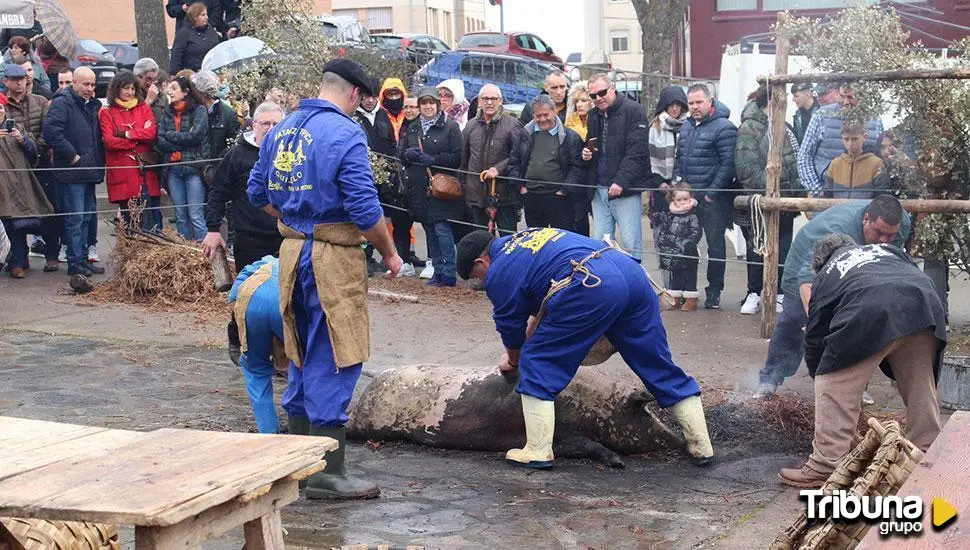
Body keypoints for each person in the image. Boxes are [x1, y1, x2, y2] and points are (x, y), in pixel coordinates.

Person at [247, 59, 402, 500]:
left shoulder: (282, 127)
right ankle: (327, 472)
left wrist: (297, 220)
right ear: (354, 94)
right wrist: (389, 252)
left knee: (298, 349)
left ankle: (299, 461)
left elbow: (258, 194)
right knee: (337, 351)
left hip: (291, 253)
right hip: (333, 258)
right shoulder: (345, 132)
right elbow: (365, 210)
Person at [455, 228, 715, 468]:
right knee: (656, 363)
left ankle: (537, 450)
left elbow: (509, 326)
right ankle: (701, 446)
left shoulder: (500, 270)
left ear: (482, 262)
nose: (481, 283)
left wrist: (514, 360)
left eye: (477, 277)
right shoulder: (528, 238)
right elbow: (545, 298)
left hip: (590, 284)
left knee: (538, 361)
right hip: (629, 273)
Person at [778, 235, 946, 488]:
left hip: (869, 308)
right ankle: (927, 449)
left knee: (833, 383)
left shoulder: (826, 274)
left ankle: (825, 466)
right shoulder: (886, 249)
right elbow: (910, 271)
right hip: (922, 304)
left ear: (820, 264)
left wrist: (821, 374)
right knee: (920, 381)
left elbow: (815, 334)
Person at [753, 196, 911, 398]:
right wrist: (818, 319)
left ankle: (853, 386)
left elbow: (890, 256)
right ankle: (769, 380)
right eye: (879, 232)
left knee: (858, 323)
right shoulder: (837, 230)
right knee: (793, 320)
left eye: (890, 235)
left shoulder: (902, 222)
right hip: (806, 264)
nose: (884, 240)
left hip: (856, 267)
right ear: (865, 219)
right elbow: (807, 279)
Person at [733, 84, 800, 315]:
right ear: (769, 101)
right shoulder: (749, 128)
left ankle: (779, 292)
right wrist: (771, 187)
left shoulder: (786, 127)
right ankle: (754, 291)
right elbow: (746, 168)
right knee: (757, 247)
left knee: (783, 246)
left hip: (786, 202)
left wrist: (794, 192)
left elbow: (794, 162)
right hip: (759, 201)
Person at [672, 84, 738, 309]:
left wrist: (711, 194)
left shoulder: (725, 127)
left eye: (699, 102)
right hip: (687, 199)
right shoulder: (687, 127)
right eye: (691, 103)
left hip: (713, 202)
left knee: (716, 248)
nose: (695, 107)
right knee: (685, 245)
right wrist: (677, 190)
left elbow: (728, 164)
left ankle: (714, 292)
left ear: (711, 102)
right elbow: (679, 159)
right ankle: (686, 291)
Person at [203, 101, 284, 270]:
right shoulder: (237, 155)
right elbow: (218, 191)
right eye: (265, 123)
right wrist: (213, 229)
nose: (270, 128)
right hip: (250, 239)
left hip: (285, 237)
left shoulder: (291, 153)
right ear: (254, 125)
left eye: (276, 124)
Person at [42, 67, 105, 277]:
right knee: (75, 219)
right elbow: (51, 131)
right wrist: (72, 156)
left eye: (93, 85)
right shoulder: (62, 103)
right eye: (86, 84)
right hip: (72, 171)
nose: (90, 89)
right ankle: (75, 261)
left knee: (87, 218)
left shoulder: (91, 106)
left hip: (88, 169)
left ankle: (83, 258)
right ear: (75, 83)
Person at [399, 87, 463, 287]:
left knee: (443, 230)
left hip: (442, 187)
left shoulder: (450, 127)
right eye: (424, 103)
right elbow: (400, 153)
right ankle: (437, 270)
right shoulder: (413, 127)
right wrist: (407, 155)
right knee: (429, 230)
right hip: (420, 187)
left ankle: (449, 272)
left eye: (431, 103)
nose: (427, 107)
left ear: (437, 104)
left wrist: (434, 159)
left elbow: (458, 157)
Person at [582, 73, 649, 262]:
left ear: (612, 89)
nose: (598, 98)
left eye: (602, 92)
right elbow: (592, 143)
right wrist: (586, 152)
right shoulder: (593, 114)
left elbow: (638, 151)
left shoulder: (634, 110)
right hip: (599, 187)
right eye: (593, 96)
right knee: (600, 244)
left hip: (624, 189)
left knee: (630, 244)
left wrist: (621, 181)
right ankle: (605, 285)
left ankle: (636, 285)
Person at [4, 61, 55, 270]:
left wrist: (33, 145)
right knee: (14, 213)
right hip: (13, 166)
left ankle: (52, 254)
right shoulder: (2, 105)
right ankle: (19, 260)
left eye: (23, 79)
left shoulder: (40, 101)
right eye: (15, 80)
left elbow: (47, 132)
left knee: (49, 209)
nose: (20, 84)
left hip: (40, 164)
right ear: (6, 81)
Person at [228, 255, 285, 434]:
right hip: (284, 300)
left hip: (249, 300)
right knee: (302, 366)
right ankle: (304, 426)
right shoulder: (299, 261)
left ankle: (268, 432)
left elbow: (233, 302)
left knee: (255, 370)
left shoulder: (261, 263)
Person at [508, 94, 584, 230]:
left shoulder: (570, 137)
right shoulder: (524, 135)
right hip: (531, 197)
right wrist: (522, 188)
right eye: (538, 116)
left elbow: (577, 168)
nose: (542, 119)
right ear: (533, 115)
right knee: (536, 242)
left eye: (545, 114)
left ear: (554, 112)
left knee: (561, 241)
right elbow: (514, 163)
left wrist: (564, 191)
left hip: (559, 199)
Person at [99, 72, 161, 232]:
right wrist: (137, 139)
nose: (130, 92)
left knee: (149, 218)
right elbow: (109, 141)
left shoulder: (143, 108)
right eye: (126, 88)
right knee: (129, 219)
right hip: (122, 170)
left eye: (133, 88)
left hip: (143, 170)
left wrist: (127, 134)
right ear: (116, 90)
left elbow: (151, 134)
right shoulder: (107, 112)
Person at [797, 84, 883, 197]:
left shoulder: (874, 119)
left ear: (862, 97)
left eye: (851, 97)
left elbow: (882, 157)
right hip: (827, 193)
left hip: (864, 197)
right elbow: (804, 157)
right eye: (842, 96)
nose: (845, 102)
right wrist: (818, 192)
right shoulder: (822, 116)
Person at [460, 83, 523, 236]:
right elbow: (463, 160)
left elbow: (519, 156)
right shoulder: (470, 126)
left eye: (493, 98)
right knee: (480, 241)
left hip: (504, 195)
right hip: (476, 195)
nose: (489, 102)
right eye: (485, 99)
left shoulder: (512, 125)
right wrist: (464, 188)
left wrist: (499, 169)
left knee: (508, 240)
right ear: (479, 102)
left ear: (500, 100)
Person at [155, 75, 210, 241]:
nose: (169, 91)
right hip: (173, 170)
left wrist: (172, 135)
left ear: (185, 92)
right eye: (169, 88)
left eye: (174, 88)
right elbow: (160, 140)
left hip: (193, 169)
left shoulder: (199, 110)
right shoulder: (167, 113)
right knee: (180, 215)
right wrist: (182, 140)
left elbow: (196, 136)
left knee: (195, 214)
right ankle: (185, 252)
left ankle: (204, 253)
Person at [353, 78, 396, 276]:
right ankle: (365, 256)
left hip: (384, 175)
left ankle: (379, 254)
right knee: (364, 216)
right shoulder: (354, 117)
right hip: (364, 174)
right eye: (366, 97)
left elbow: (391, 143)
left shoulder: (382, 115)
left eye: (373, 97)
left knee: (383, 217)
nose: (369, 101)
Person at [648, 85, 689, 285]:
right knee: (663, 239)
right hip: (661, 191)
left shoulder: (688, 126)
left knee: (682, 239)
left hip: (682, 191)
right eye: (671, 105)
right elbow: (647, 160)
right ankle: (667, 286)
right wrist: (659, 182)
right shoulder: (655, 127)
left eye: (679, 105)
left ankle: (683, 286)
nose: (675, 109)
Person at [655, 183, 702, 312]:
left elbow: (696, 232)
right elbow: (664, 230)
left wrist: (685, 244)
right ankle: (675, 297)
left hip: (688, 252)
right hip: (673, 252)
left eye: (685, 199)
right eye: (679, 200)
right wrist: (664, 242)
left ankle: (690, 299)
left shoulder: (693, 216)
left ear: (691, 198)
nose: (682, 203)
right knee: (675, 275)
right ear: (673, 200)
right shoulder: (670, 215)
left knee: (690, 275)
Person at [822, 119, 888, 199]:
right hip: (838, 210)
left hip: (866, 210)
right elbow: (827, 195)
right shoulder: (835, 164)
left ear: (865, 137)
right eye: (846, 139)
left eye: (854, 139)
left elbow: (880, 197)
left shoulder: (876, 164)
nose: (850, 144)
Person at [192, 70, 240, 173]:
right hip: (194, 169)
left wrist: (214, 168)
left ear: (202, 92)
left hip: (216, 171)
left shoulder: (228, 114)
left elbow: (232, 144)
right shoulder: (193, 112)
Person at [563, 80, 592, 236]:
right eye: (576, 101)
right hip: (576, 179)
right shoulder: (568, 124)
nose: (579, 104)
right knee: (577, 220)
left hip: (593, 177)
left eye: (584, 100)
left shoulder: (596, 122)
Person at [170, 2, 222, 74]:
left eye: (206, 14)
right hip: (194, 73)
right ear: (195, 17)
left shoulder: (210, 29)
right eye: (203, 15)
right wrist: (174, 73)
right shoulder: (184, 33)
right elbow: (176, 55)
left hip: (214, 71)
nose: (206, 17)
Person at [378, 78, 408, 143]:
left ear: (402, 95)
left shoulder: (409, 114)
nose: (394, 98)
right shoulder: (379, 115)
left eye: (397, 94)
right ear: (384, 96)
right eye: (390, 95)